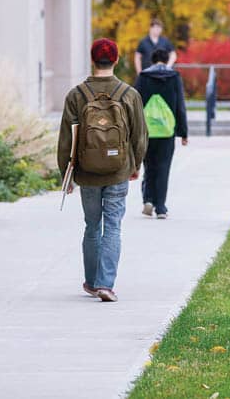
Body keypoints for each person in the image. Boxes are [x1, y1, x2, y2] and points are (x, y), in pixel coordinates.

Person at [57, 38, 148, 303]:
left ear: (92, 60)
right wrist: (136, 165)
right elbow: (140, 136)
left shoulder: (76, 95)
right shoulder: (129, 94)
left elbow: (65, 140)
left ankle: (92, 282)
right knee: (113, 227)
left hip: (87, 173)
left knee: (92, 226)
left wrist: (67, 175)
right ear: (116, 60)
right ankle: (106, 285)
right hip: (119, 171)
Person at [134, 48, 188, 219]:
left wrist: (134, 130)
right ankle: (161, 208)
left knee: (149, 166)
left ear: (152, 60)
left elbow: (135, 105)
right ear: (166, 60)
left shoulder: (143, 77)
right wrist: (183, 132)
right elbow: (180, 105)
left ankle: (148, 200)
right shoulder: (174, 77)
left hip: (147, 131)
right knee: (163, 167)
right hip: (167, 131)